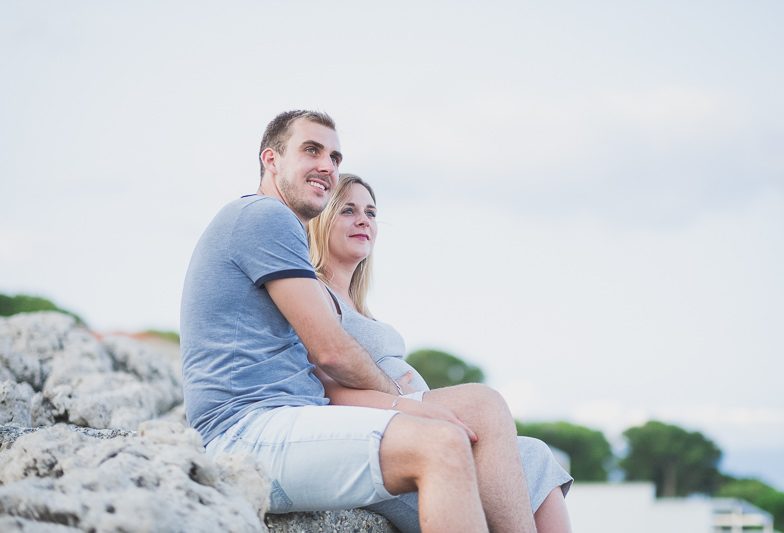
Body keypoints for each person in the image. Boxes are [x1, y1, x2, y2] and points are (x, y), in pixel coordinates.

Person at [181, 110, 537, 532]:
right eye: (311, 150)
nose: (327, 166)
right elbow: (330, 350)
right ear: (271, 159)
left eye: (334, 156)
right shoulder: (264, 217)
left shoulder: (277, 227)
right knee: (441, 445)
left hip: (295, 419)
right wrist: (404, 405)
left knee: (485, 406)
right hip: (244, 431)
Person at [307, 174, 573, 533]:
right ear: (323, 220)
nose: (364, 220)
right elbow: (326, 391)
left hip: (409, 420)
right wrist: (414, 407)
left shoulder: (358, 305)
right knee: (483, 402)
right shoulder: (315, 294)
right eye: (348, 210)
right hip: (384, 435)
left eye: (371, 213)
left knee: (535, 455)